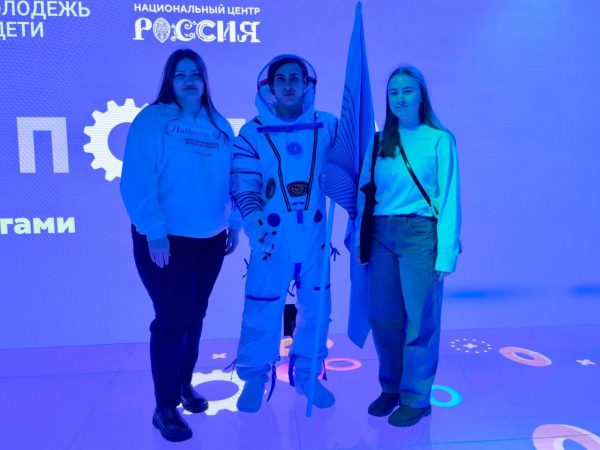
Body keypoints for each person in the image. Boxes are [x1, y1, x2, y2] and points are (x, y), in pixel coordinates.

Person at [120, 49, 241, 442]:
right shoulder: (153, 120)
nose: (189, 81)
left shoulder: (219, 125)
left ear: (205, 80)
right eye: (180, 74)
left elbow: (234, 179)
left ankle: (184, 384)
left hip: (211, 239)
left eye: (195, 74)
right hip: (165, 239)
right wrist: (153, 230)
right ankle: (165, 406)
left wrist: (234, 224)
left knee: (194, 315)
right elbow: (138, 178)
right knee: (172, 319)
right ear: (169, 81)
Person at [231, 55, 337, 412]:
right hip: (271, 237)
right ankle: (254, 377)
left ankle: (308, 374)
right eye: (282, 79)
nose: (289, 84)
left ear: (307, 84)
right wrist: (255, 225)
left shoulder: (327, 126)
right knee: (262, 305)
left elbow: (350, 170)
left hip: (314, 236)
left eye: (295, 78)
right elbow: (245, 186)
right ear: (270, 86)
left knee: (316, 308)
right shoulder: (252, 133)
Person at [355, 65, 461, 427]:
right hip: (381, 234)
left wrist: (446, 255)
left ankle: (416, 397)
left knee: (420, 319)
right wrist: (358, 242)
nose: (400, 98)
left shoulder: (439, 139)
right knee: (382, 316)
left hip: (420, 234)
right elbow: (365, 195)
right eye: (393, 92)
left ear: (421, 95)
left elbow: (449, 198)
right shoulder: (378, 141)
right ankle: (391, 387)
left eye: (407, 90)